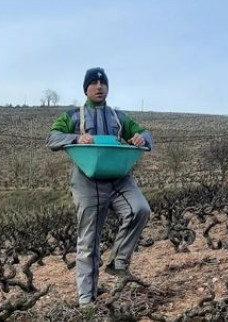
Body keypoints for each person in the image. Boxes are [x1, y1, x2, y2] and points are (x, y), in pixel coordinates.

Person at [45, 67, 153, 307]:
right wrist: (75, 138)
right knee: (88, 241)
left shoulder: (118, 117)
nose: (99, 86)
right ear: (86, 88)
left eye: (102, 83)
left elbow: (145, 133)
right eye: (93, 83)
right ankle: (87, 300)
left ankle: (118, 262)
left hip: (118, 176)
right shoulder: (74, 116)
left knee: (140, 209)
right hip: (87, 179)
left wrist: (141, 139)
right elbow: (52, 138)